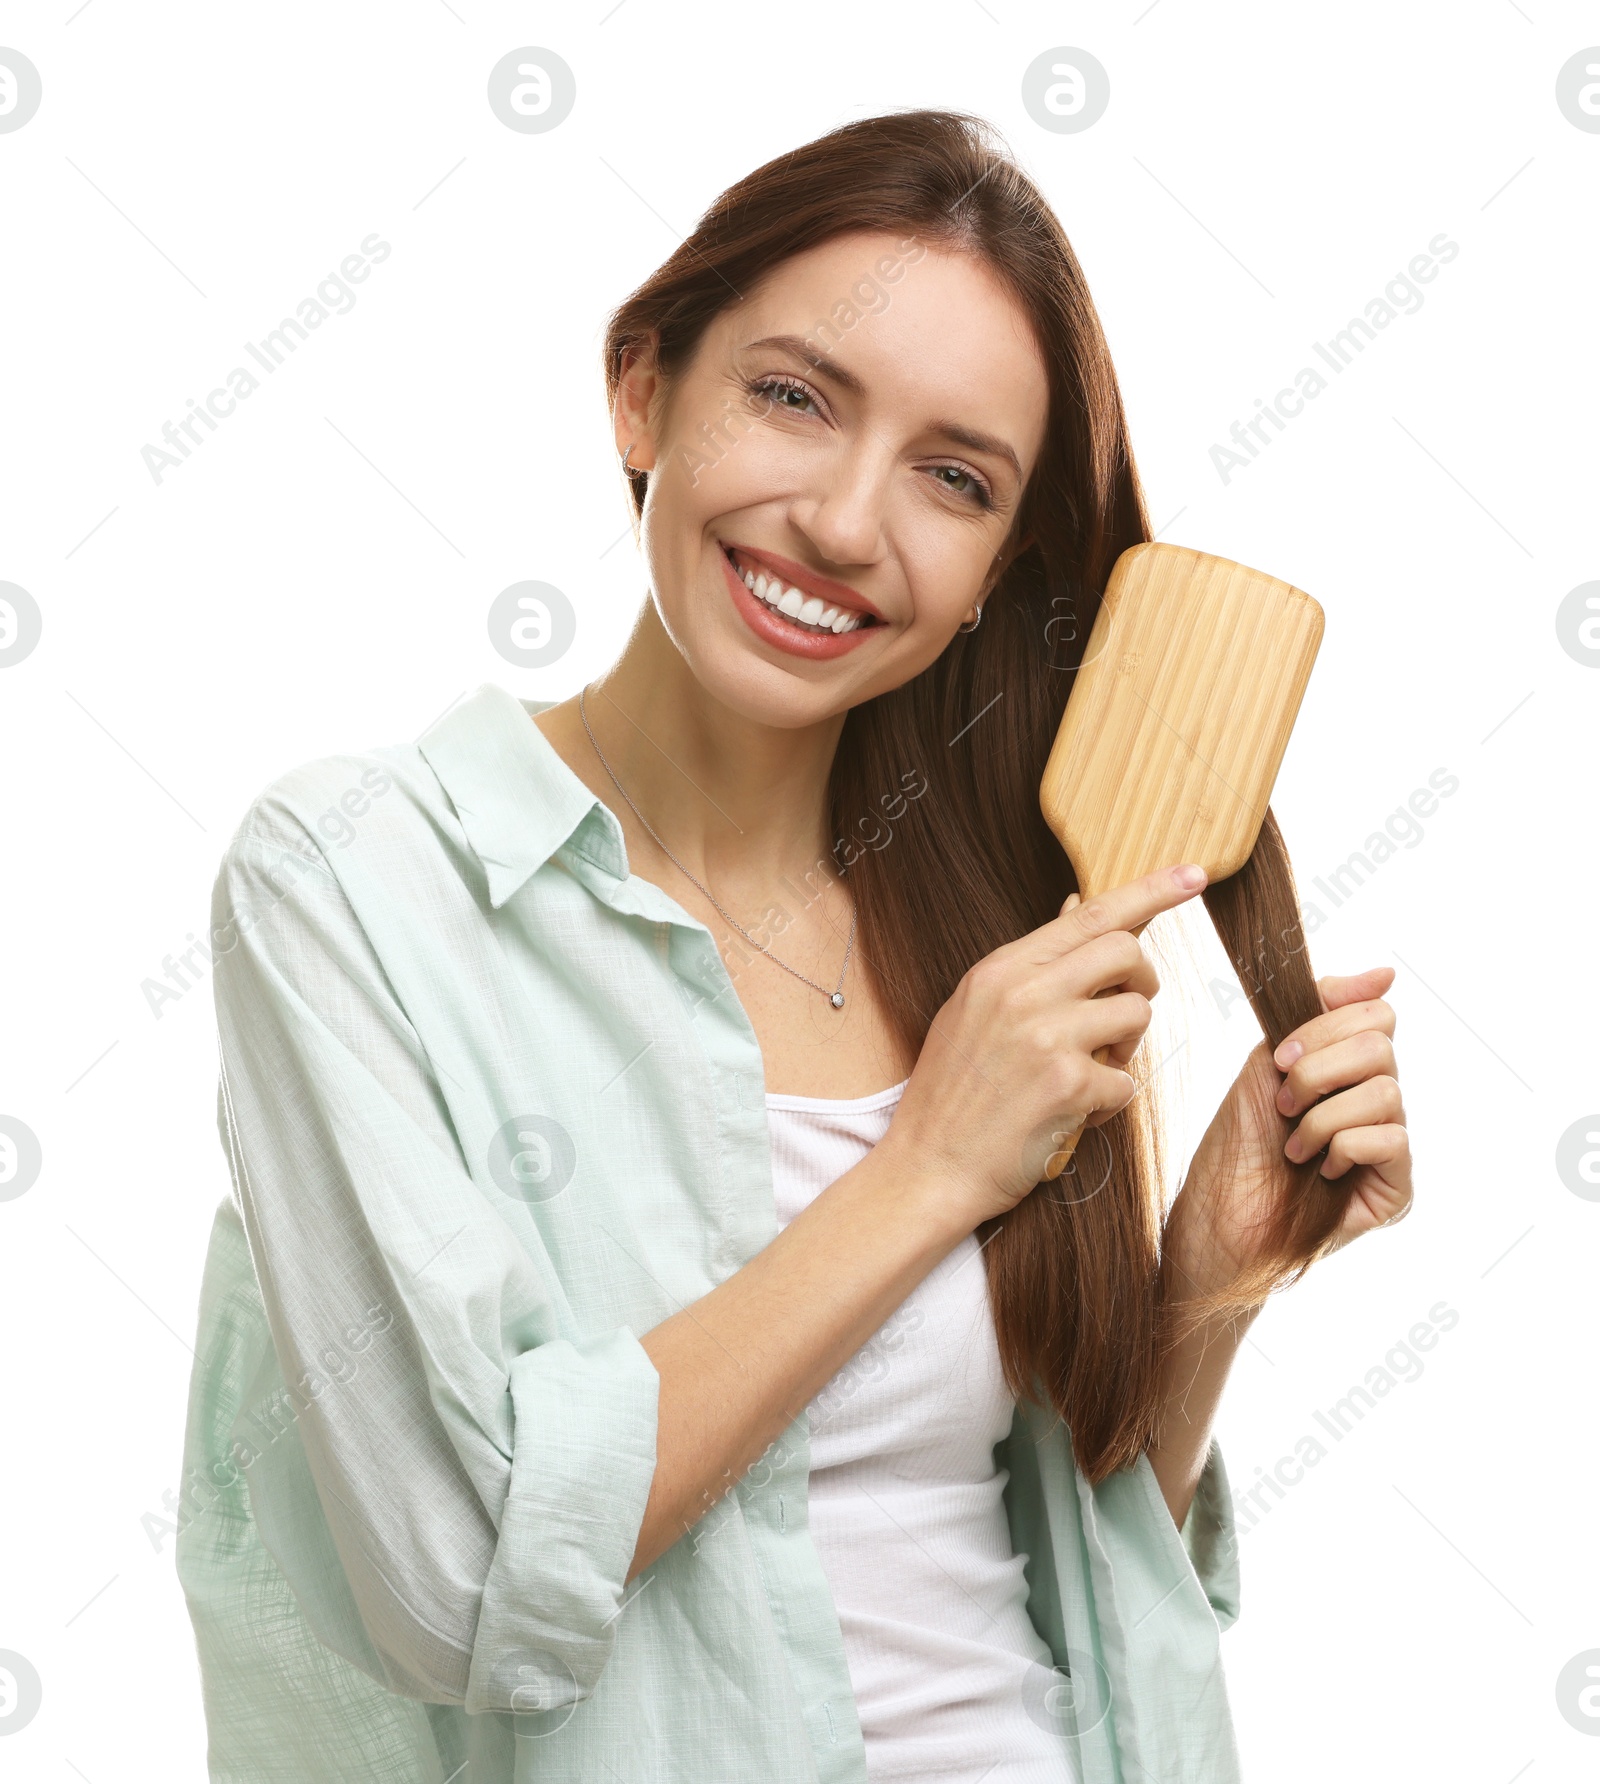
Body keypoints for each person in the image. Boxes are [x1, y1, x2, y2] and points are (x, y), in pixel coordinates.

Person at [175, 110, 1412, 1784]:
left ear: (995, 573)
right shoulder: (355, 890)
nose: (843, 520)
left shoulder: (987, 929)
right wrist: (923, 1168)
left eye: (954, 478)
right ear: (644, 390)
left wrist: (1203, 1296)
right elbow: (461, 1579)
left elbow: (1060, 1580)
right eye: (794, 398)